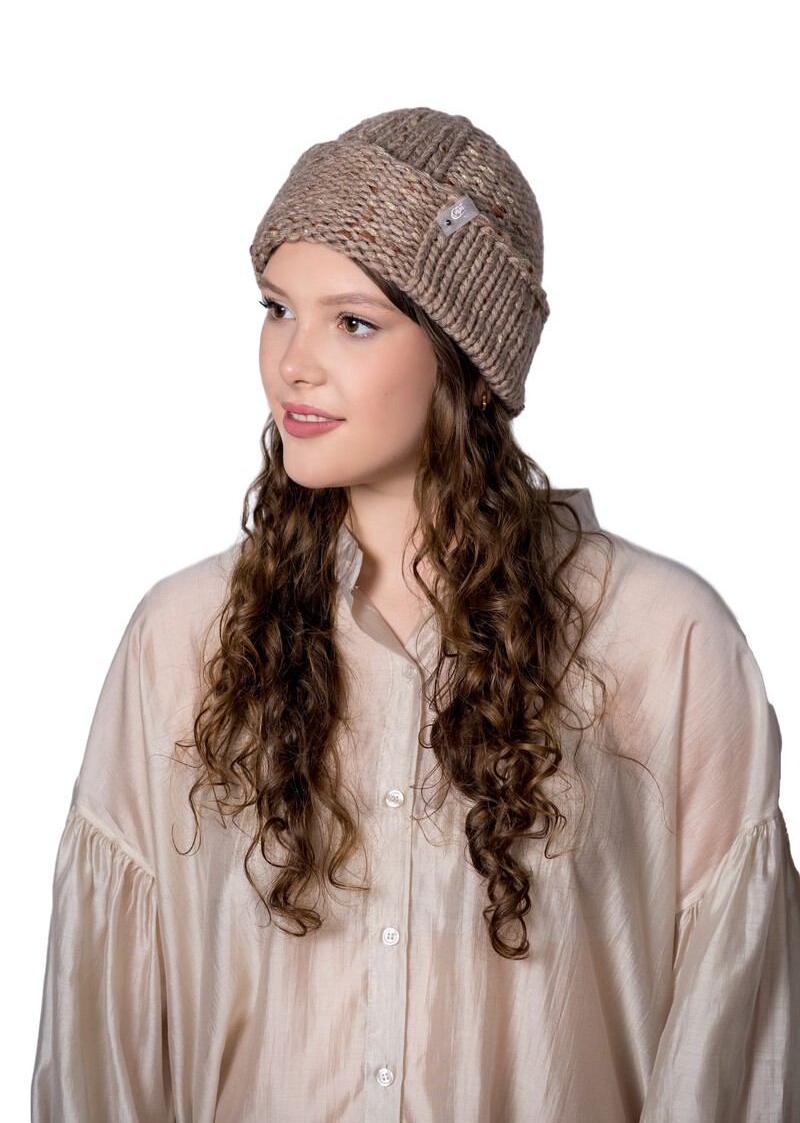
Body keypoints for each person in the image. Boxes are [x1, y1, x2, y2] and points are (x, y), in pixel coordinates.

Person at [31, 106, 800, 1122]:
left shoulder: (663, 641)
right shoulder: (182, 641)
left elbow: (729, 1046)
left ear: (467, 360)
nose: (292, 362)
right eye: (276, 308)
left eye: (353, 321)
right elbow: (104, 1051)